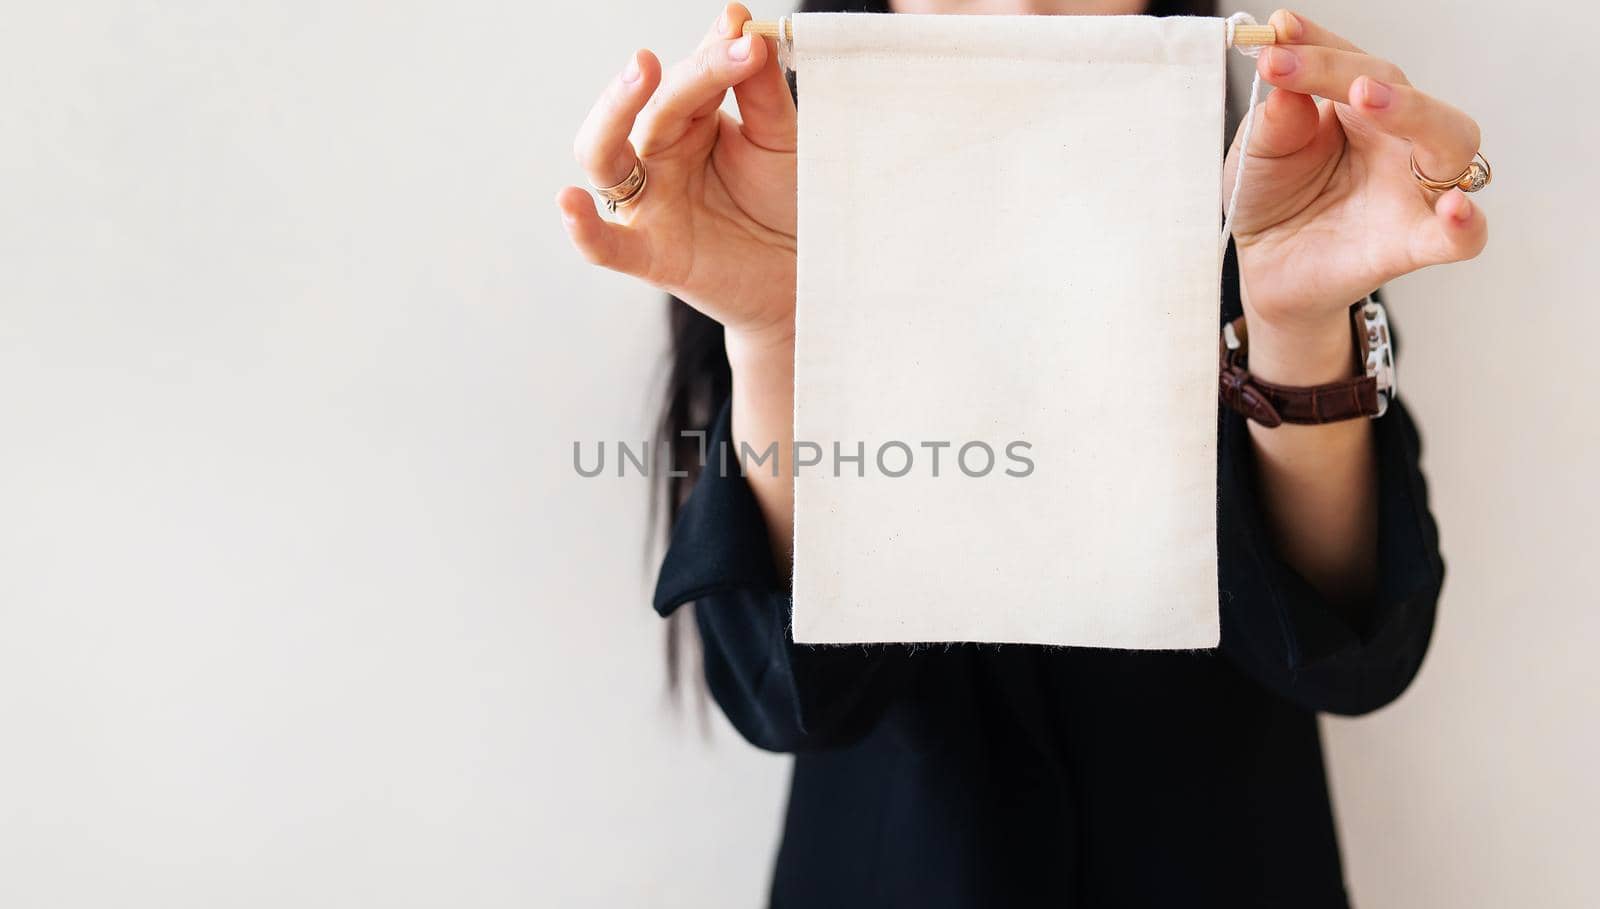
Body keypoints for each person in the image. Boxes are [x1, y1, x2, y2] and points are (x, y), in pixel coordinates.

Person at [558, 1, 1488, 904]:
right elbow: (786, 693)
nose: (1024, 10)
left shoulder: (1279, 188)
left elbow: (1353, 656)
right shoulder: (768, 192)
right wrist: (777, 337)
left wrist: (1297, 323)